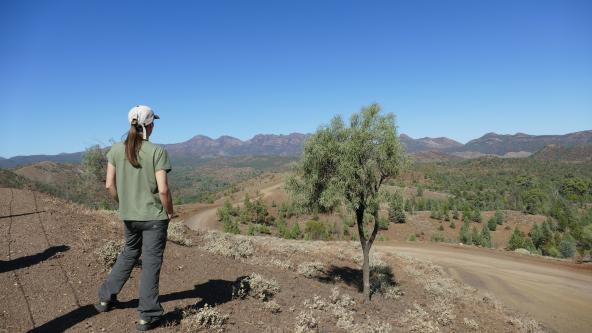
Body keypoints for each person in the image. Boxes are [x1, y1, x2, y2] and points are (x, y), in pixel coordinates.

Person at [94, 105, 173, 331]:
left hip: (129, 216)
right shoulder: (157, 151)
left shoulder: (116, 150)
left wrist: (124, 203)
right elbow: (164, 190)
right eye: (153, 122)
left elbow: (109, 184)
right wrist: (170, 211)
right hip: (154, 218)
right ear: (149, 125)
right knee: (150, 263)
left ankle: (105, 298)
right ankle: (148, 315)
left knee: (129, 252)